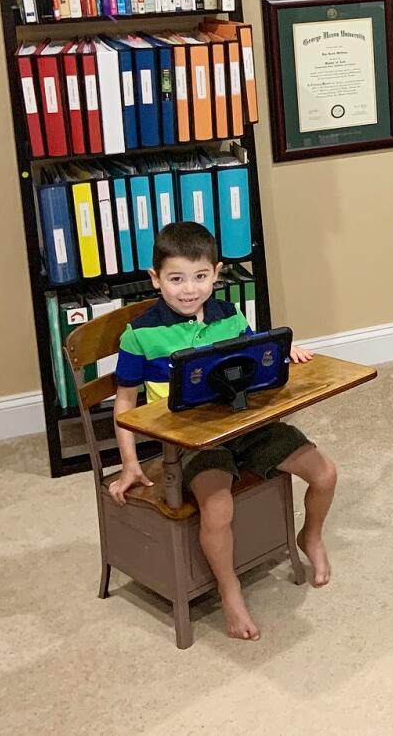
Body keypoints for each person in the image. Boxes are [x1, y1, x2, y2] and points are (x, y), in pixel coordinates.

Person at [108, 222, 338, 641]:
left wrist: (286, 351)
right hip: (189, 444)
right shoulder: (139, 334)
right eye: (175, 279)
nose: (189, 289)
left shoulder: (229, 315)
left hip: (247, 425)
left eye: (200, 277)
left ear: (216, 274)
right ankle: (229, 590)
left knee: (324, 473)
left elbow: (261, 356)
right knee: (218, 509)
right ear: (155, 279)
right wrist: (128, 463)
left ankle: (312, 535)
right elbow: (124, 403)